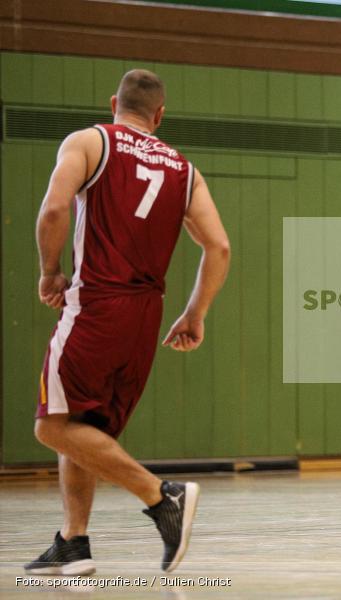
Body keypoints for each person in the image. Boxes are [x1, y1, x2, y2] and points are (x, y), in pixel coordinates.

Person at [26, 69, 231, 574]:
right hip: (146, 314)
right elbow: (219, 247)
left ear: (114, 102)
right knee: (83, 425)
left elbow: (54, 209)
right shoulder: (185, 169)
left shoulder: (90, 141)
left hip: (96, 301)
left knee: (51, 427)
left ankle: (162, 497)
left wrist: (50, 272)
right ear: (159, 116)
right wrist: (194, 313)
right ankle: (74, 542)